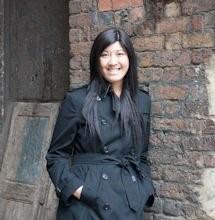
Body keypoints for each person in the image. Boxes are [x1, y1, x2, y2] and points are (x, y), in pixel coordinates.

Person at [46, 27, 155, 220]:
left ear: (129, 58)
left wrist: (144, 188)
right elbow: (56, 156)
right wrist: (78, 190)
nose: (113, 62)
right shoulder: (77, 100)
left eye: (119, 54)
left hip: (128, 202)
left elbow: (142, 156)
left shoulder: (142, 100)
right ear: (96, 60)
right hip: (86, 205)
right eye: (105, 55)